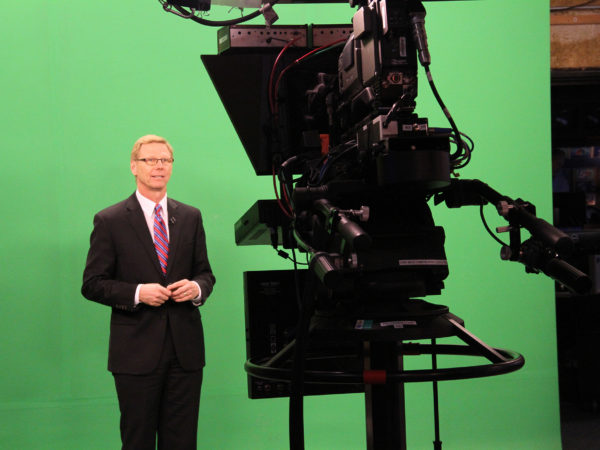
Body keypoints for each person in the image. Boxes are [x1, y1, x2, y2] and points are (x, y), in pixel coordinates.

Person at [82, 134, 215, 450]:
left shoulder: (191, 216)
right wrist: (138, 293)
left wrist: (196, 288)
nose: (158, 166)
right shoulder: (110, 220)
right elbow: (92, 284)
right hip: (136, 353)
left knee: (182, 442)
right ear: (133, 166)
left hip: (186, 352)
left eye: (165, 160)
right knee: (138, 440)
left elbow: (205, 274)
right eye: (150, 160)